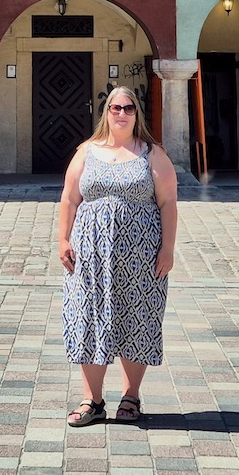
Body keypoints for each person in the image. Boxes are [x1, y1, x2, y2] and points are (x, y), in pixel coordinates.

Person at [59, 86, 177, 428]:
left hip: (140, 254)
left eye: (128, 108)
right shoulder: (86, 151)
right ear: (106, 113)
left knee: (136, 316)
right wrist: (62, 239)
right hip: (90, 255)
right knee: (89, 317)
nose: (121, 114)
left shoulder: (152, 154)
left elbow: (168, 203)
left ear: (136, 114)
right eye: (115, 108)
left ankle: (131, 396)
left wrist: (167, 248)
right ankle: (92, 400)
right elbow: (69, 198)